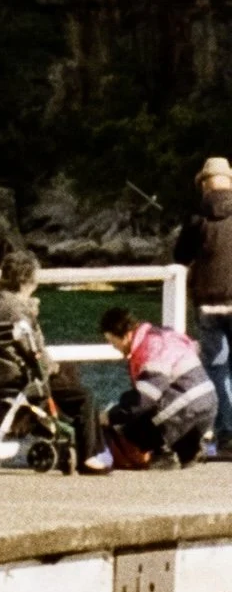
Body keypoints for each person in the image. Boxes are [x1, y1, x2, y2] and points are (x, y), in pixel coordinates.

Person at [0, 245, 102, 470]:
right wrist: (32, 317)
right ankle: (88, 454)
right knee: (83, 395)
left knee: (65, 378)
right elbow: (35, 353)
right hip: (21, 380)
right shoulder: (19, 312)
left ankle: (42, 424)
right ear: (26, 281)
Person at [97, 304, 217, 466]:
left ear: (125, 336)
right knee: (155, 410)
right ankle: (189, 449)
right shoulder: (161, 336)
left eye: (113, 341)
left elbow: (146, 397)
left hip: (187, 404)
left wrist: (111, 415)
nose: (114, 347)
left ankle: (164, 452)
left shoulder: (150, 347)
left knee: (134, 426)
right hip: (207, 401)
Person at [174, 152, 232, 451]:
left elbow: (180, 257)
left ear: (204, 185)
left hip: (208, 304)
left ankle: (227, 432)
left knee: (217, 368)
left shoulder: (197, 219)